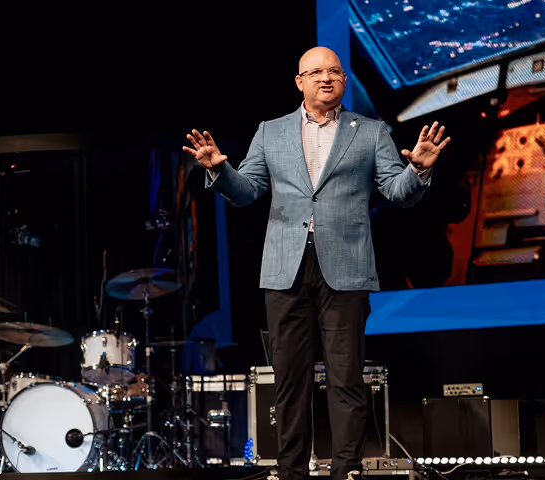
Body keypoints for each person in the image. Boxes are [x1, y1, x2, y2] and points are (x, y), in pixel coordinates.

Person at [183, 47, 450, 480]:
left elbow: (396, 192)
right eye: (316, 72)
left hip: (345, 266)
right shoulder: (270, 132)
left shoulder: (370, 131)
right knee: (289, 380)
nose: (326, 78)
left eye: (334, 72)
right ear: (299, 82)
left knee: (346, 378)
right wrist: (220, 168)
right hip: (285, 268)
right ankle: (291, 472)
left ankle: (347, 470)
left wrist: (417, 170)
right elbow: (248, 190)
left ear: (344, 80)